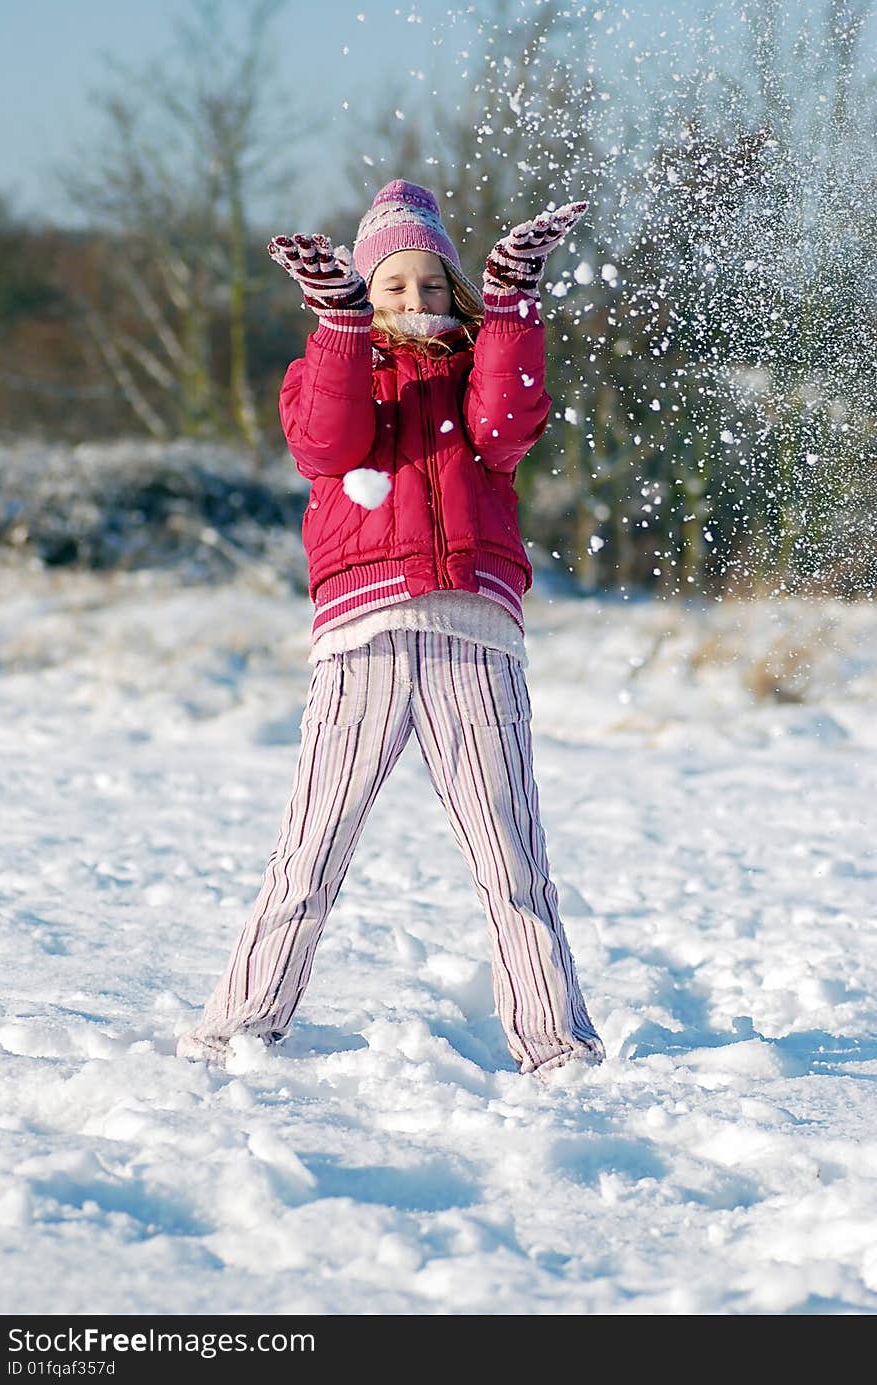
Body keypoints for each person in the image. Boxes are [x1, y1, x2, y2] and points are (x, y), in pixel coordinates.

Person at [176, 179, 605, 1077]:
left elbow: (507, 422)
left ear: (457, 291)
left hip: (474, 638)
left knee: (511, 858)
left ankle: (555, 1044)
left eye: (433, 285)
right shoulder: (330, 370)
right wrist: (337, 326)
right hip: (361, 638)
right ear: (364, 294)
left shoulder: (475, 369)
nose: (416, 301)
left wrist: (517, 298)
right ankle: (236, 1029)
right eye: (393, 286)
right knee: (309, 850)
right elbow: (327, 444)